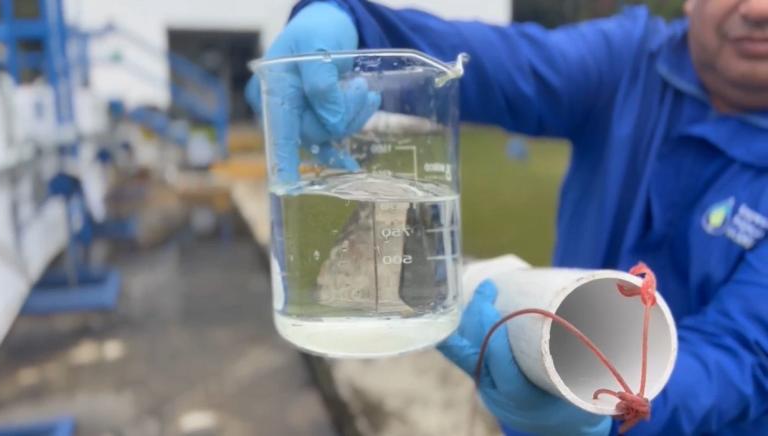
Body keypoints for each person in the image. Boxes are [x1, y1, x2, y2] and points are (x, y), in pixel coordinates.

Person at [245, 1, 768, 434]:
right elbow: (504, 64)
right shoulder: (631, 62)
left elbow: (744, 353)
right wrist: (356, 25)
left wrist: (608, 412)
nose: (758, 10)